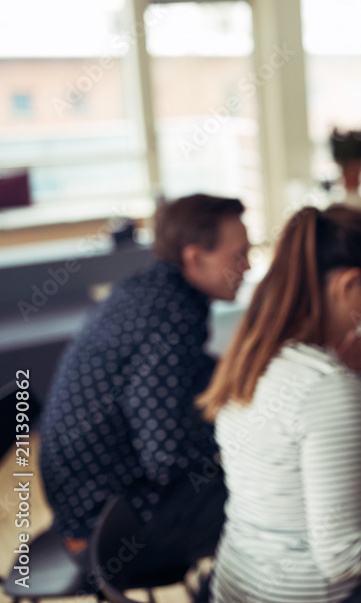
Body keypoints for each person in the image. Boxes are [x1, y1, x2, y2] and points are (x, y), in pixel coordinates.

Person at [197, 205, 361, 603]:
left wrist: (346, 376)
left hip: (235, 584)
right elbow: (344, 555)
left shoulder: (248, 356)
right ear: (348, 283)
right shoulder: (323, 385)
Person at [40, 194, 249, 561]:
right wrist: (239, 440)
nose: (247, 267)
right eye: (238, 255)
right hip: (107, 527)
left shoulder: (147, 290)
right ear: (195, 257)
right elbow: (166, 457)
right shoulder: (171, 318)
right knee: (271, 499)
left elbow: (188, 377)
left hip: (83, 506)